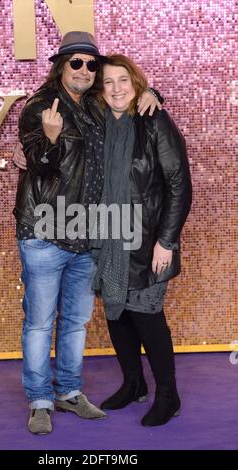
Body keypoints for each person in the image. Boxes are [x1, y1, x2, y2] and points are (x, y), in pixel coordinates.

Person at [14, 31, 162, 435]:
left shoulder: (97, 107)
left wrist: (155, 95)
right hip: (44, 232)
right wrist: (48, 139)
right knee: (41, 323)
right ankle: (41, 400)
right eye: (75, 62)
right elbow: (38, 166)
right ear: (61, 66)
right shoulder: (41, 107)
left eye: (91, 64)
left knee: (76, 322)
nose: (84, 70)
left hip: (87, 235)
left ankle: (70, 392)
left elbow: (127, 99)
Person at [91, 54, 192, 426]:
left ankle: (169, 394)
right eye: (108, 82)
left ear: (136, 83)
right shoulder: (98, 124)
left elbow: (179, 184)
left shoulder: (154, 120)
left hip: (149, 241)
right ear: (101, 91)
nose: (117, 89)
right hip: (108, 239)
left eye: (124, 80)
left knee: (147, 316)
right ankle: (133, 383)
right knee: (117, 314)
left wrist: (167, 241)